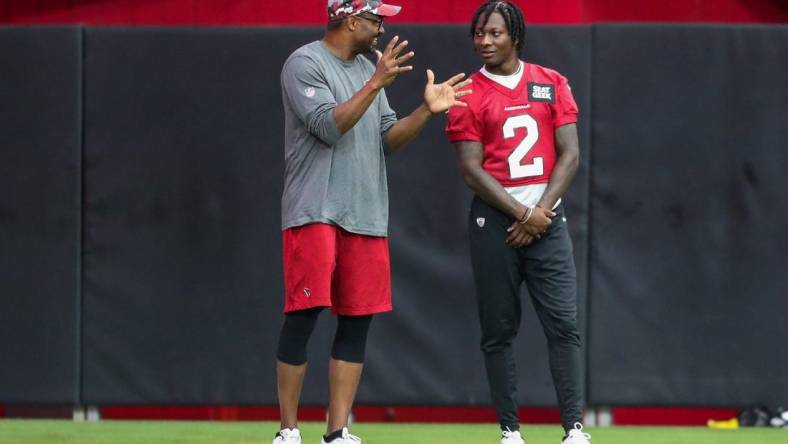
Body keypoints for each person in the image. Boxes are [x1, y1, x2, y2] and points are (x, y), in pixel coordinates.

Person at [273, 1, 472, 443]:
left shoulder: (368, 67)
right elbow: (328, 125)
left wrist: (425, 111)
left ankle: (336, 432)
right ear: (350, 19)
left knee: (357, 323)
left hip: (365, 214)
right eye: (376, 18)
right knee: (304, 316)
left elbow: (387, 139)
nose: (383, 26)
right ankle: (288, 431)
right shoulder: (304, 62)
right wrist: (377, 81)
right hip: (316, 209)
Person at [445, 1, 590, 444]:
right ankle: (510, 430)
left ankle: (574, 428)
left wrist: (539, 213)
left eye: (494, 33)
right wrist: (521, 213)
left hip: (547, 218)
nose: (484, 41)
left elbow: (570, 153)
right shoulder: (468, 92)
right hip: (497, 222)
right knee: (499, 330)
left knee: (563, 325)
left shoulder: (551, 82)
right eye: (478, 34)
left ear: (515, 36)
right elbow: (471, 169)